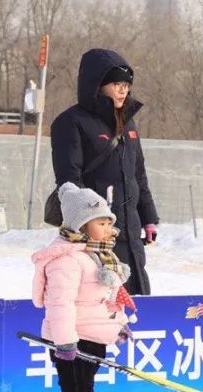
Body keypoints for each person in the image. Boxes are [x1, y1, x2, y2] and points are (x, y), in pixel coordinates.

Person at [32, 183, 136, 392]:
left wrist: (120, 326)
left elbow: (110, 297)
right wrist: (65, 342)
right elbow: (60, 304)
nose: (108, 228)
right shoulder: (65, 260)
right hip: (72, 340)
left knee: (85, 391)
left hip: (93, 336)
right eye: (101, 222)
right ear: (81, 223)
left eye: (108, 222)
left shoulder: (97, 255)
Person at [51, 48, 159, 295]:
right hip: (97, 233)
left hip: (130, 231)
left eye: (126, 84)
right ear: (97, 84)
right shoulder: (71, 122)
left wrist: (149, 217)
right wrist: (89, 224)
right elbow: (69, 183)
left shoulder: (128, 122)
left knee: (137, 299)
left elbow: (138, 175)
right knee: (103, 303)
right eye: (116, 83)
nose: (123, 90)